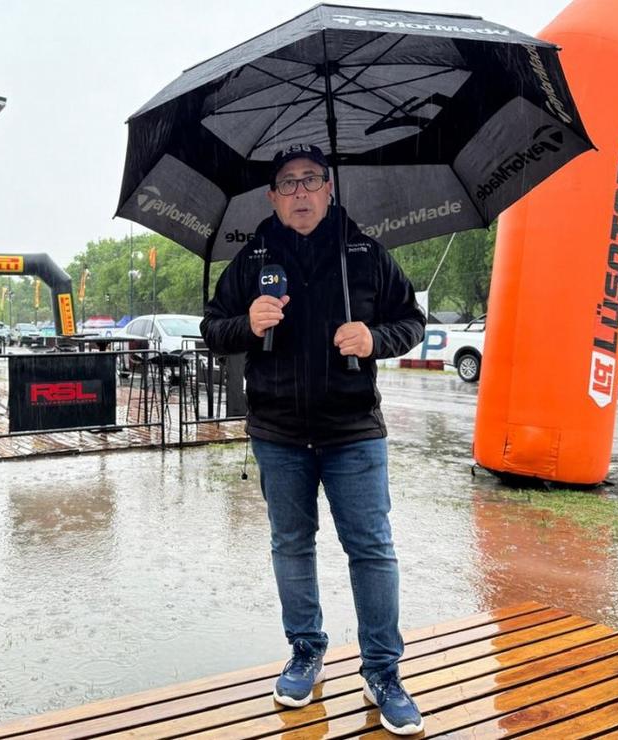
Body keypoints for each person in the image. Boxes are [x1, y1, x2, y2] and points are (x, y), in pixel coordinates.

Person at [200, 144, 426, 736]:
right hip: (277, 433)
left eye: (310, 181)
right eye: (287, 184)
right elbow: (212, 329)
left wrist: (374, 339)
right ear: (272, 198)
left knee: (372, 551)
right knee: (291, 546)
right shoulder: (252, 260)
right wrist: (244, 324)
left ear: (329, 189)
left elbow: (412, 320)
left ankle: (383, 670)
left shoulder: (367, 255)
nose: (299, 193)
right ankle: (306, 650)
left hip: (353, 432)